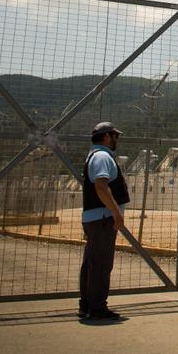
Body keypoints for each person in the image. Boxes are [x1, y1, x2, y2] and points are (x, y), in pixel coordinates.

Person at [80, 121, 129, 321]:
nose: (117, 139)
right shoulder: (102, 156)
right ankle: (97, 307)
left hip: (96, 217)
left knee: (92, 263)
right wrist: (116, 212)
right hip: (102, 218)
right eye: (115, 136)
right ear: (107, 137)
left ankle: (87, 305)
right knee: (101, 263)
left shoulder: (96, 155)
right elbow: (101, 186)